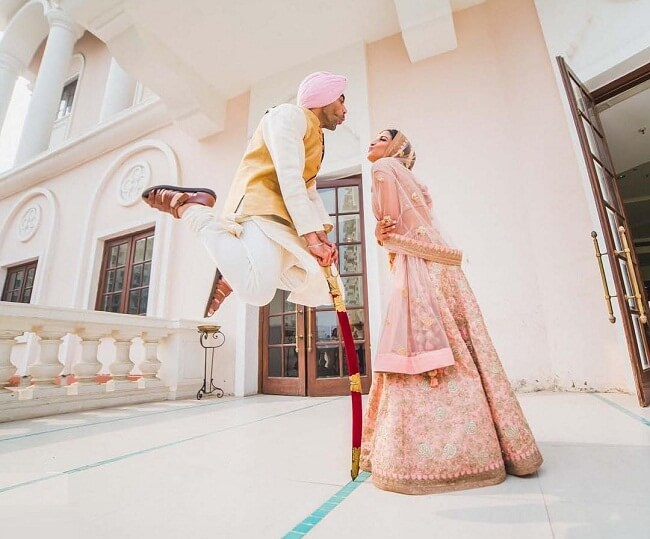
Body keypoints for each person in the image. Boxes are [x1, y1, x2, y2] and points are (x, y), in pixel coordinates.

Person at [360, 129, 542, 495]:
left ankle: (421, 462)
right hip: (446, 271)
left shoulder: (383, 169)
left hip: (421, 271)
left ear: (394, 147)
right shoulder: (413, 178)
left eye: (381, 138)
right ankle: (503, 449)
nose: (372, 143)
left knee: (420, 352)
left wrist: (381, 237)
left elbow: (393, 233)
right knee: (466, 348)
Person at [142, 72, 347, 313]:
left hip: (288, 222)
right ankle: (193, 209)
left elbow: (308, 189)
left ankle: (235, 270)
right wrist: (311, 239)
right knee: (258, 292)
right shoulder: (288, 115)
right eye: (341, 100)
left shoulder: (317, 137)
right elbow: (289, 177)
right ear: (324, 96)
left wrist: (320, 235)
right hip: (261, 209)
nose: (345, 109)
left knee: (327, 285)